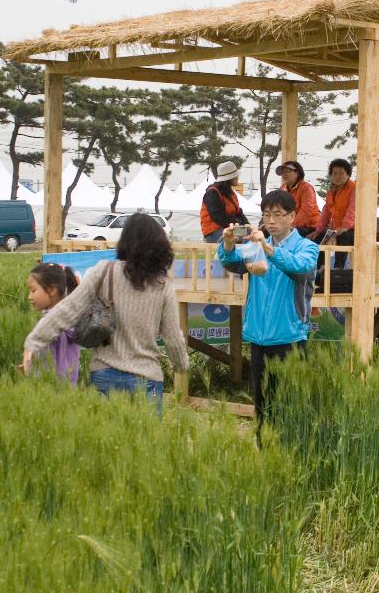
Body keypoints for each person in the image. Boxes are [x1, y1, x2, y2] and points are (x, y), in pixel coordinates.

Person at [24, 213, 188, 413]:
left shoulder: (102, 272)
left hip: (104, 375)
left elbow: (66, 311)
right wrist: (180, 365)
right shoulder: (163, 286)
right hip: (147, 378)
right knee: (145, 442)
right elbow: (173, 338)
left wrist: (33, 342)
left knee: (106, 443)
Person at [218, 189, 319, 442]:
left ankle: (291, 450)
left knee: (289, 401)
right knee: (262, 404)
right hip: (259, 337)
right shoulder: (255, 246)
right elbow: (231, 262)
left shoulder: (307, 247)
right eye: (266, 215)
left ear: (292, 216)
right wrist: (229, 243)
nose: (270, 220)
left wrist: (268, 249)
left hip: (290, 337)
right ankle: (265, 450)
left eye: (277, 214)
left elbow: (300, 267)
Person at [24, 262, 82, 385]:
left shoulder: (62, 320)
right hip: (54, 386)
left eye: (33, 290)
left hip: (57, 388)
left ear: (52, 290)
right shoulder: (60, 318)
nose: (29, 296)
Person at [311, 158, 356, 269]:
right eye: (335, 173)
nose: (337, 176)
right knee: (318, 237)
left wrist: (345, 226)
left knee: (343, 236)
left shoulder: (354, 188)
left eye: (341, 173)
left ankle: (338, 269)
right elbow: (326, 211)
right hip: (337, 229)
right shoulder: (331, 191)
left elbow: (353, 209)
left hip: (354, 230)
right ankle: (320, 269)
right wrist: (318, 230)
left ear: (348, 175)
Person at [200, 160, 249, 243]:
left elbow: (238, 212)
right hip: (213, 232)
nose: (238, 177)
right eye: (235, 176)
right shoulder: (212, 193)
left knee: (252, 233)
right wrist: (239, 226)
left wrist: (247, 224)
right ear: (229, 178)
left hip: (229, 228)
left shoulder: (231, 193)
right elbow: (218, 217)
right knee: (246, 237)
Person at [275, 160, 319, 237]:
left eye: (288, 171)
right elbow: (277, 209)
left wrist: (291, 226)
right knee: (267, 232)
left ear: (297, 173)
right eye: (283, 172)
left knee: (285, 234)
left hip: (309, 226)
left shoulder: (306, 187)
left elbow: (306, 211)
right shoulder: (282, 188)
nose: (284, 174)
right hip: (291, 225)